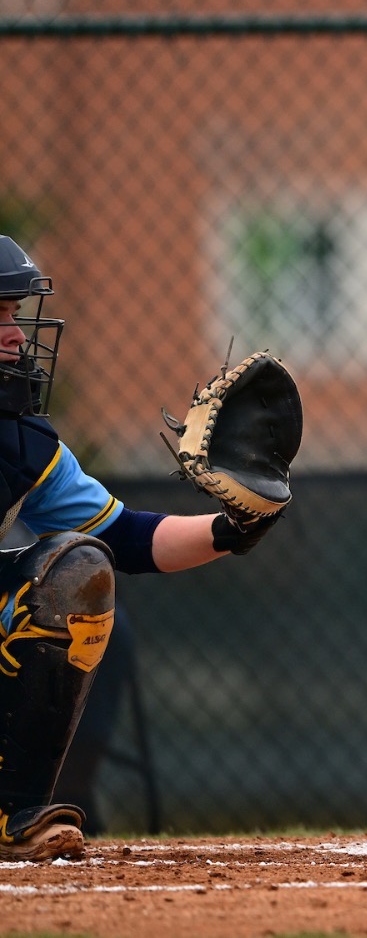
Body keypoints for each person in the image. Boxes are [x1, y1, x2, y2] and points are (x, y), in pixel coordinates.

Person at [0, 235, 284, 859]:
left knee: (75, 574)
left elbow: (124, 537)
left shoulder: (19, 440)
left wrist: (231, 528)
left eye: (14, 316)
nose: (17, 335)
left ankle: (10, 812)